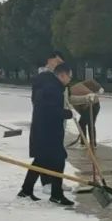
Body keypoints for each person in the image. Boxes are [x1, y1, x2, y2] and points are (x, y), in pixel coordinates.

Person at [20, 63, 75, 206]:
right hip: (49, 132)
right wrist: (67, 113)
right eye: (69, 76)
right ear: (62, 75)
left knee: (40, 161)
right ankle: (56, 195)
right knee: (58, 160)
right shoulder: (53, 89)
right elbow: (51, 111)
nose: (70, 80)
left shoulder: (49, 86)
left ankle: (26, 190)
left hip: (43, 130)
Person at [69, 78, 103, 147]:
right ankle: (89, 143)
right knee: (87, 123)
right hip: (95, 103)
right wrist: (99, 87)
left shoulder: (70, 96)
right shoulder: (78, 85)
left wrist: (99, 88)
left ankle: (86, 143)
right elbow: (91, 81)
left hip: (93, 103)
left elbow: (79, 108)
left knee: (84, 123)